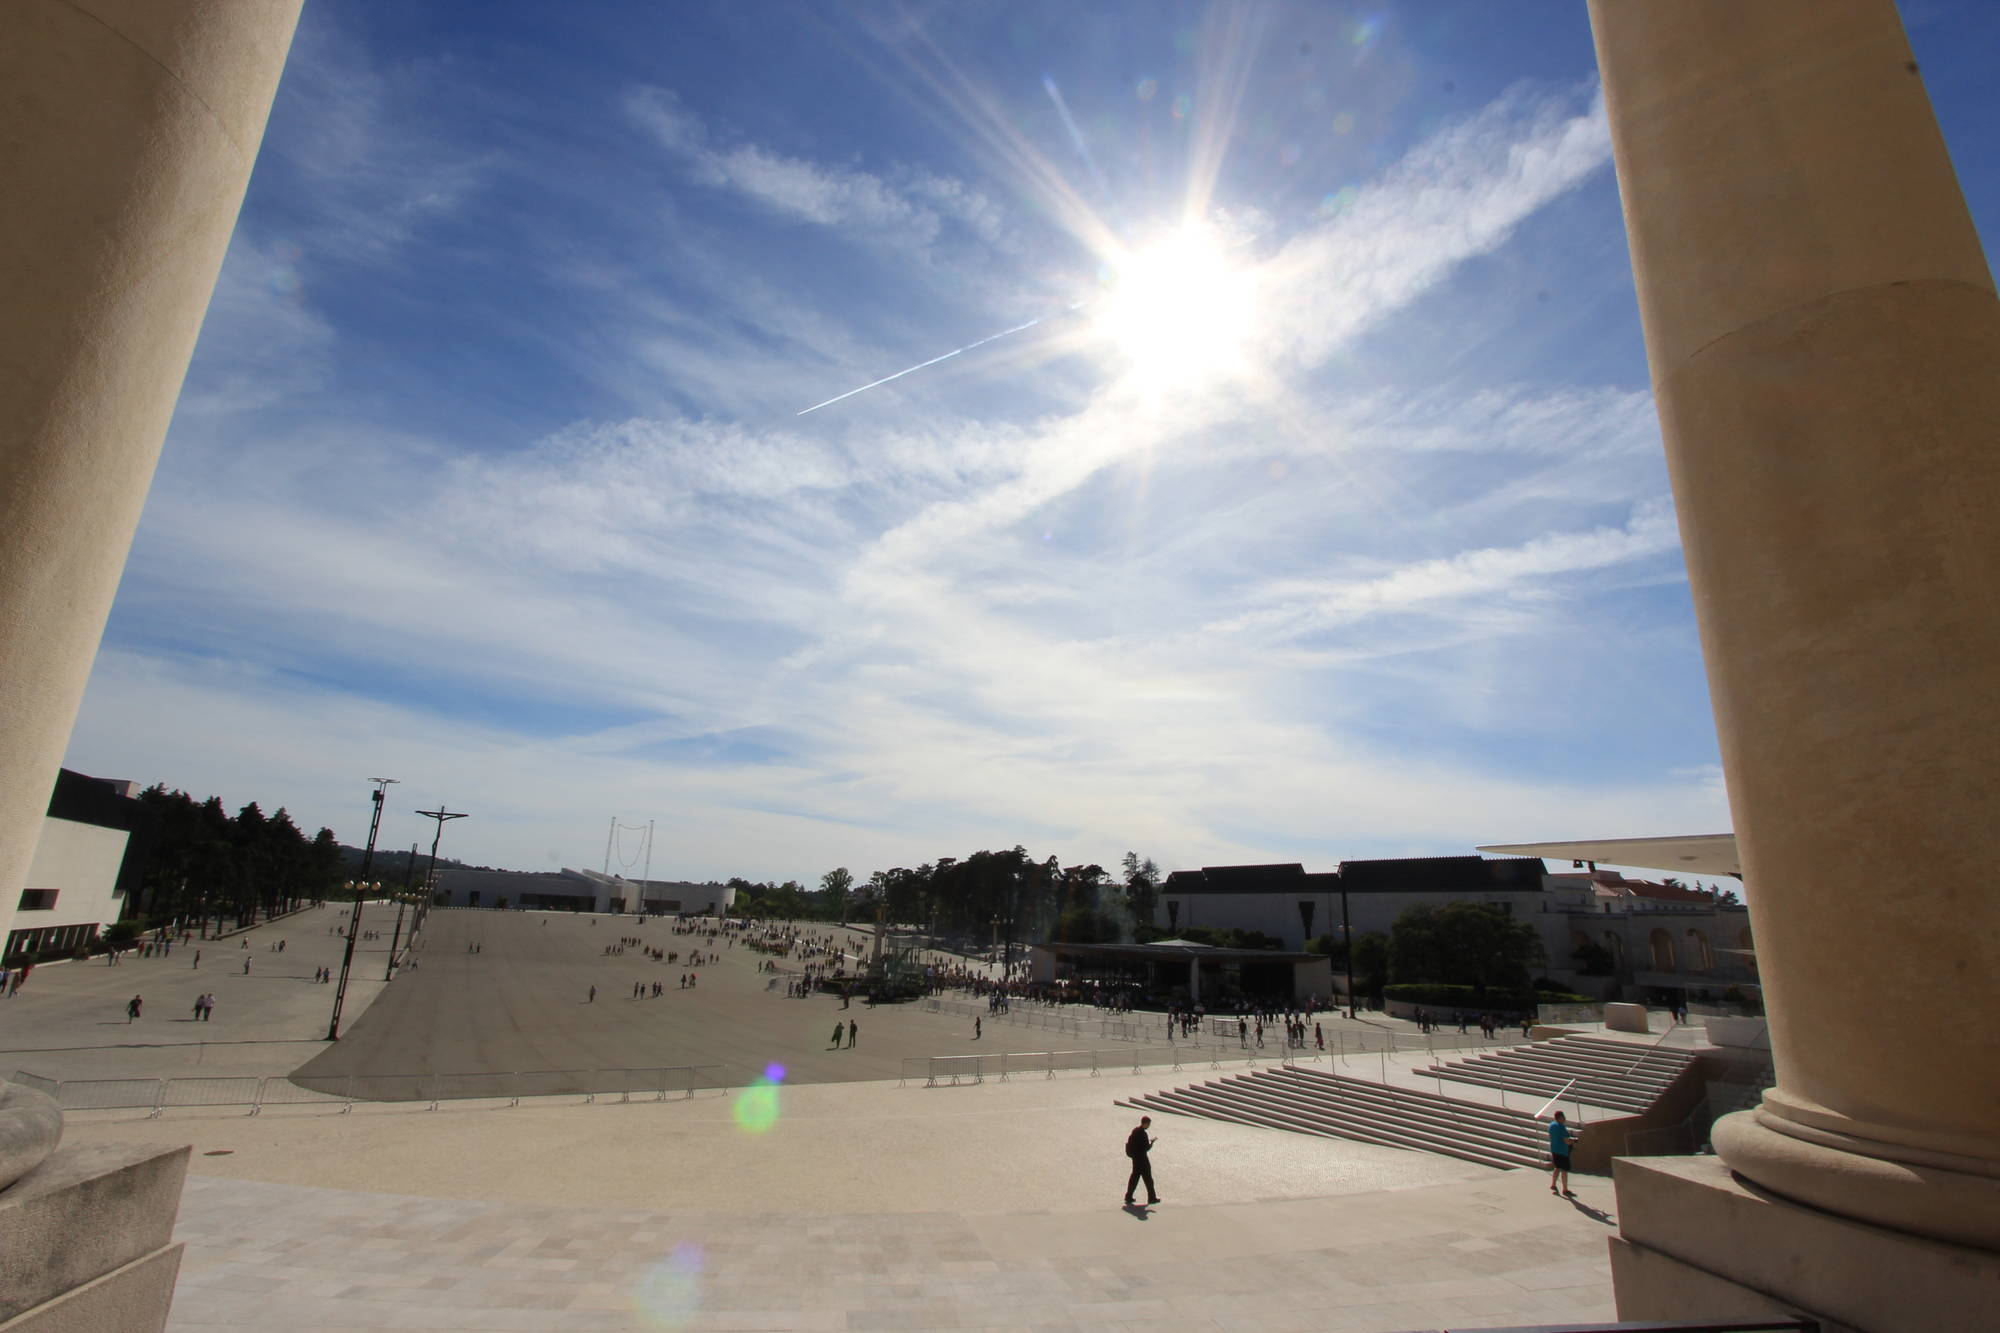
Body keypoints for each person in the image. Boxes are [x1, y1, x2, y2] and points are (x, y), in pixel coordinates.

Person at [1124, 1115, 1161, 1206]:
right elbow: (1146, 1148)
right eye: (1148, 1124)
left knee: (1134, 1178)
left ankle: (1128, 1196)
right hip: (1142, 1160)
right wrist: (1151, 1143)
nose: (1149, 1126)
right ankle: (1151, 1198)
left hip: (1135, 1159)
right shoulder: (1143, 1134)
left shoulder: (1135, 1131)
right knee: (1148, 1179)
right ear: (1145, 1123)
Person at [1548, 1111, 1581, 1196]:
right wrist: (1572, 1141)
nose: (1565, 1119)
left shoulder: (1551, 1125)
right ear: (1560, 1118)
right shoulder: (1561, 1127)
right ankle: (1565, 1189)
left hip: (1554, 1150)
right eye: (1563, 1117)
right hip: (1562, 1151)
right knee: (1564, 1170)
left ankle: (1553, 1184)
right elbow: (1566, 1140)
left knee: (1557, 1167)